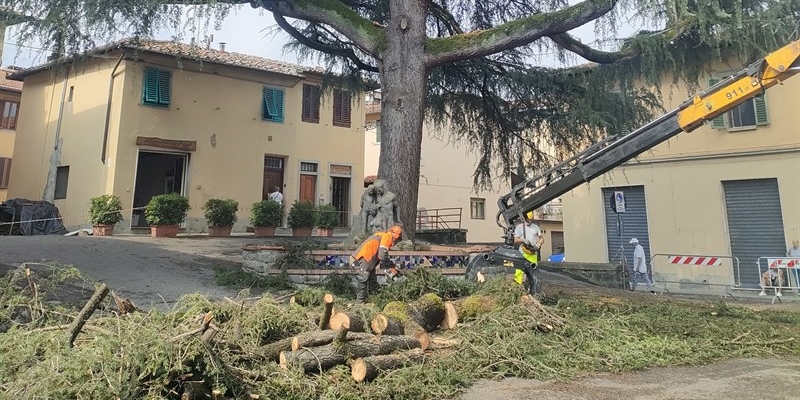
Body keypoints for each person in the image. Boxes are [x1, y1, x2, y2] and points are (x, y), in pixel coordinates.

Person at [351, 225, 403, 303]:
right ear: (395, 237)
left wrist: (391, 265)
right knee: (364, 278)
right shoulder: (387, 237)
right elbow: (382, 256)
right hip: (366, 257)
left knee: (372, 278)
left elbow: (382, 255)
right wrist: (390, 267)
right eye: (396, 239)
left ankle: (373, 298)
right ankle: (360, 302)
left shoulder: (383, 235)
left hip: (368, 257)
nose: (395, 242)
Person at [513, 211, 545, 286]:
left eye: (530, 220)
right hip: (522, 252)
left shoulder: (535, 227)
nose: (529, 221)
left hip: (532, 253)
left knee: (533, 270)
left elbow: (541, 239)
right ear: (524, 218)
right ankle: (517, 285)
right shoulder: (519, 227)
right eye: (527, 220)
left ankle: (533, 286)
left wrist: (538, 244)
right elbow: (516, 240)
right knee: (519, 270)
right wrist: (523, 240)